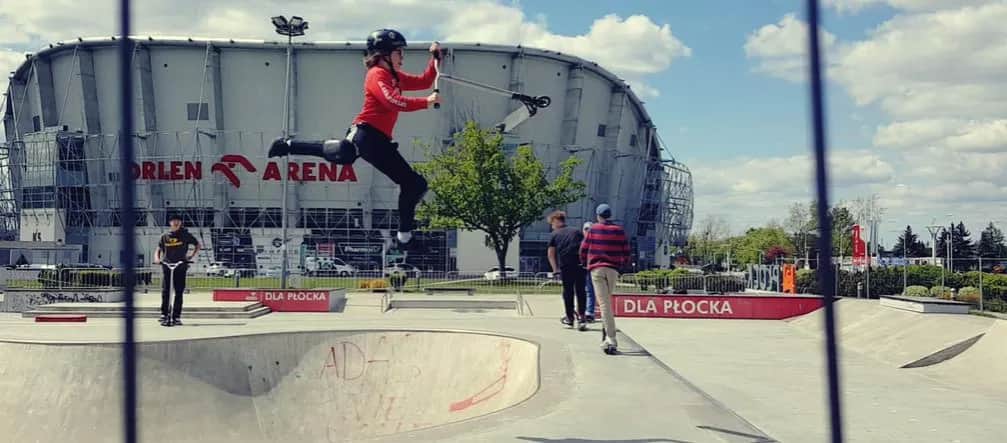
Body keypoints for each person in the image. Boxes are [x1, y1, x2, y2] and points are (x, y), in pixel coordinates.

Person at [268, 29, 442, 245]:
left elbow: (425, 81)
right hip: (366, 133)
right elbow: (392, 101)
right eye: (399, 52)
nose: (402, 57)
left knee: (415, 184)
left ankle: (404, 235)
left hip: (381, 142)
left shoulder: (395, 77)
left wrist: (435, 58)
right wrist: (426, 102)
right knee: (345, 153)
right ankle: (287, 145)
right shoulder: (377, 74)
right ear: (384, 54)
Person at [580, 203, 631, 354]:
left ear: (598, 215)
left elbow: (584, 249)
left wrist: (584, 263)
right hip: (613, 269)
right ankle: (606, 333)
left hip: (597, 269)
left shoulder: (594, 229)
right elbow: (626, 251)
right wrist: (623, 266)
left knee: (604, 304)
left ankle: (610, 338)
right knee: (606, 302)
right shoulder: (619, 231)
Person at [153, 214, 201, 326]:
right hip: (167, 265)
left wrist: (191, 256)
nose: (176, 223)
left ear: (180, 223)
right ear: (170, 223)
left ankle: (176, 316)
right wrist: (157, 258)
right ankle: (164, 314)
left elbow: (197, 245)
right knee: (166, 291)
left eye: (178, 221)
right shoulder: (164, 236)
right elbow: (158, 249)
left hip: (180, 266)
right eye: (174, 221)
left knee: (179, 292)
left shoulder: (185, 235)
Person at [547, 210, 588, 331]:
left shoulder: (554, 235)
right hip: (580, 265)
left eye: (551, 224)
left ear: (555, 221)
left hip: (565, 266)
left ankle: (570, 317)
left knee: (568, 292)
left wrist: (555, 270)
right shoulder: (577, 231)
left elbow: (551, 254)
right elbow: (584, 248)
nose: (552, 226)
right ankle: (582, 317)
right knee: (581, 291)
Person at [582, 221, 596, 323]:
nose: (587, 231)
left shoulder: (596, 242)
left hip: (591, 269)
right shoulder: (581, 242)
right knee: (580, 291)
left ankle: (589, 312)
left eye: (589, 229)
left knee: (590, 291)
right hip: (581, 269)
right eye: (586, 229)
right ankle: (581, 311)